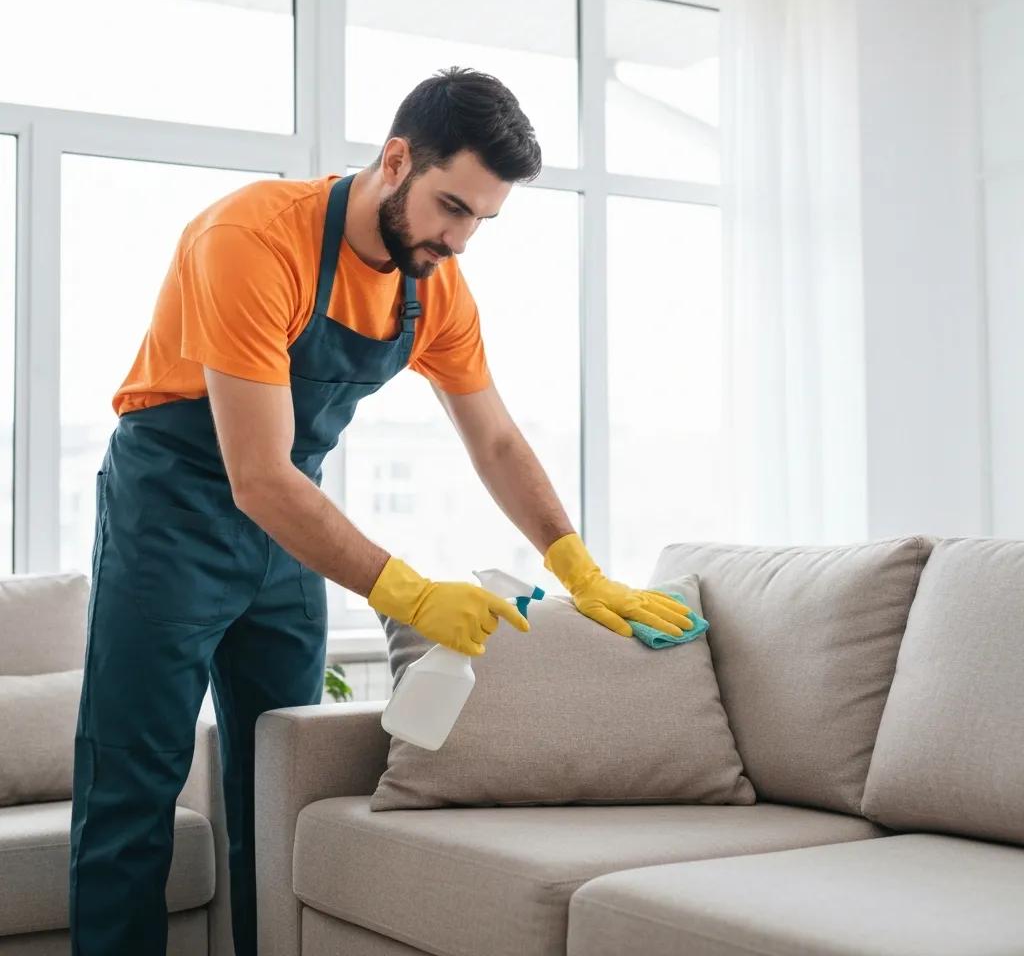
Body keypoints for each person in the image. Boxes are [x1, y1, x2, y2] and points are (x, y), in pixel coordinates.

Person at [68, 66, 694, 956]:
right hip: (171, 513)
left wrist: (574, 565)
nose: (463, 238)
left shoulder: (430, 281)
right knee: (133, 787)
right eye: (452, 207)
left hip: (289, 532)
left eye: (481, 218)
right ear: (396, 159)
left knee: (275, 785)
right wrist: (404, 590)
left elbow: (497, 441)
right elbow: (256, 472)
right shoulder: (251, 239)